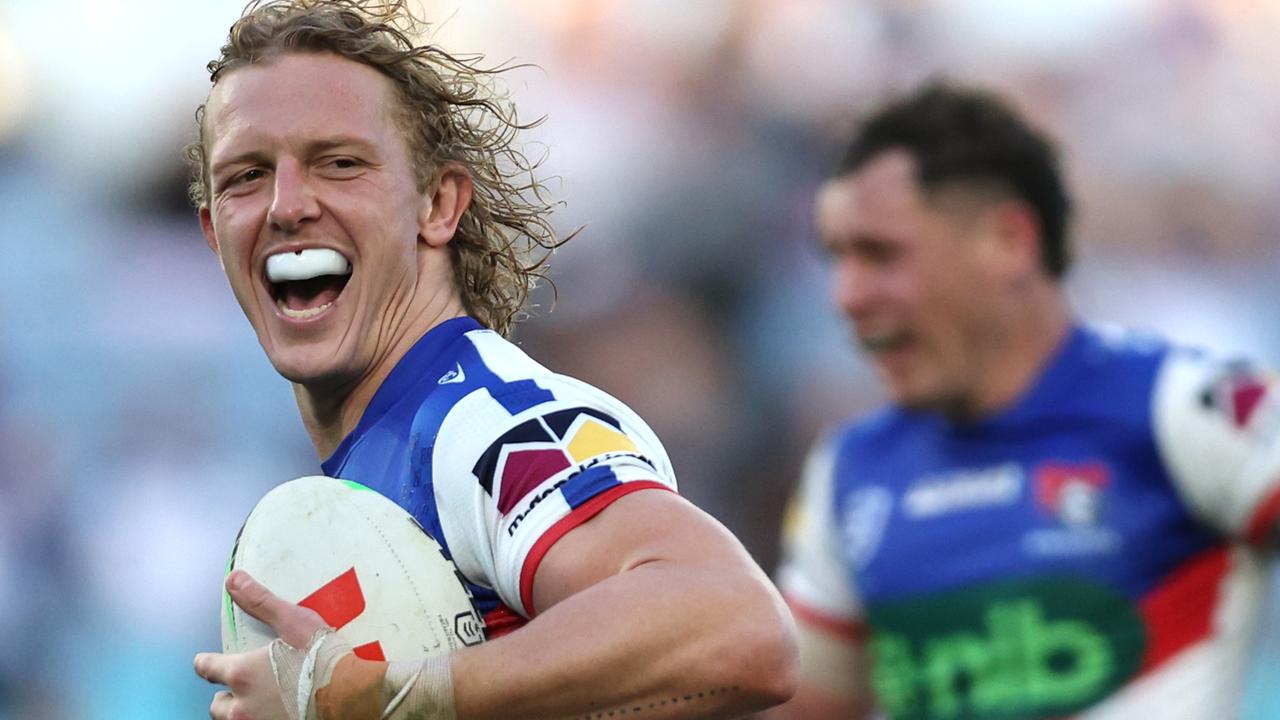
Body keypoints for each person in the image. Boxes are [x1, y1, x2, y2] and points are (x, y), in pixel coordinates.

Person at [185, 1, 797, 718]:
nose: (286, 205)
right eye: (246, 177)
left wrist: (388, 696)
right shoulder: (386, 450)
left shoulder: (484, 421)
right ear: (212, 233)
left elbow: (737, 628)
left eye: (340, 163)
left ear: (439, 204)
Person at [768, 81, 1280, 719]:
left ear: (1009, 242)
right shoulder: (849, 472)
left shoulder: (1182, 405)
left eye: (879, 254)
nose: (845, 295)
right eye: (836, 259)